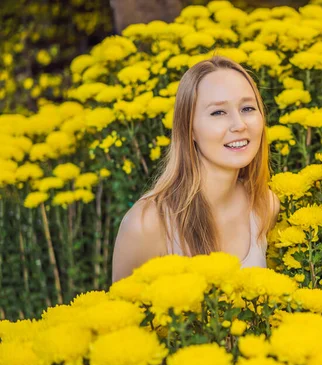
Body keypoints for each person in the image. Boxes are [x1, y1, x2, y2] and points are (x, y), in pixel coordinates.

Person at [111, 55, 280, 283]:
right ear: (189, 129)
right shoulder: (147, 224)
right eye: (218, 112)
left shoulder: (264, 205)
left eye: (248, 108)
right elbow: (124, 315)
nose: (239, 125)